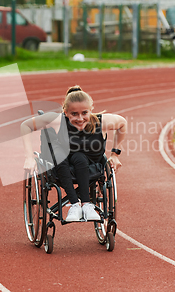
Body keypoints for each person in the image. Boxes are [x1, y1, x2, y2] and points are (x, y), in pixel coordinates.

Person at [21, 85, 126, 222]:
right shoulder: (57, 120)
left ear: (91, 110)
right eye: (74, 114)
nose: (80, 118)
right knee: (61, 156)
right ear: (65, 112)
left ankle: (86, 205)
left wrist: (115, 154)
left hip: (86, 161)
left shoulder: (102, 121)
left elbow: (122, 123)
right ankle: (75, 204)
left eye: (84, 113)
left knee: (80, 158)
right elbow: (25, 125)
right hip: (62, 162)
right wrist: (29, 157)